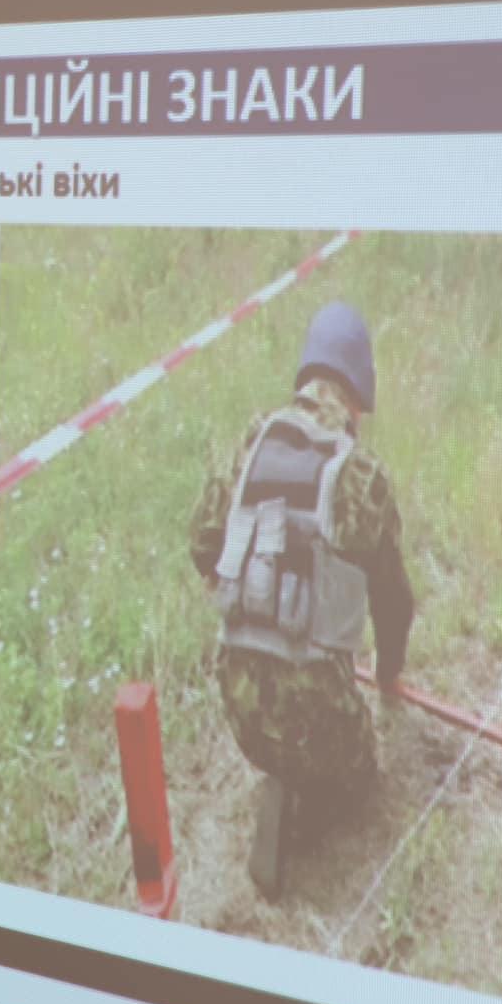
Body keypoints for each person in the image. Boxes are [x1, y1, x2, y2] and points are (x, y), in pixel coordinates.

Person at [189, 301, 417, 897]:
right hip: (321, 710)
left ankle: (278, 766)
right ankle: (308, 805)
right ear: (360, 392)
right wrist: (388, 676)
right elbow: (394, 603)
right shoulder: (361, 473)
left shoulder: (254, 440)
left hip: (238, 702)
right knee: (362, 782)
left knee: (278, 722)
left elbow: (203, 544)